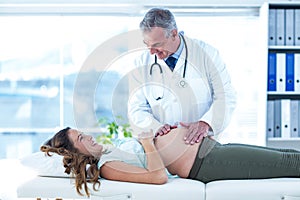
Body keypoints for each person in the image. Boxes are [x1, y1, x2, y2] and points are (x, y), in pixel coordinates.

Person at [41, 127, 300, 197]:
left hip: (208, 150)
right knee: (291, 163)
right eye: (81, 138)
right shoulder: (108, 167)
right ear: (76, 152)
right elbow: (157, 176)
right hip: (206, 162)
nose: (89, 136)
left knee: (290, 156)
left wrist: (157, 135)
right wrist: (147, 142)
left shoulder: (111, 151)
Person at [127, 7, 237, 145]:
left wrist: (206, 123)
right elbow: (136, 108)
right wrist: (155, 127)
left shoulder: (207, 54)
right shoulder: (141, 63)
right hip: (162, 147)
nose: (151, 52)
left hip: (203, 144)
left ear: (173, 34)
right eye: (147, 44)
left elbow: (225, 95)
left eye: (157, 45)